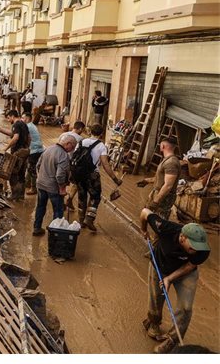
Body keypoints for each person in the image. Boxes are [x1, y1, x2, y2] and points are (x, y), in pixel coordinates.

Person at [139, 208, 211, 353]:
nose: (197, 250)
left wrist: (169, 279)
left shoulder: (203, 250)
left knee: (186, 308)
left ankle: (172, 340)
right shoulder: (165, 228)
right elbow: (145, 212)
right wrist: (144, 229)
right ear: (182, 237)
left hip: (185, 272)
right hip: (160, 264)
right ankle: (153, 321)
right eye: (193, 247)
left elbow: (191, 265)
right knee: (156, 299)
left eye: (199, 248)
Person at [74, 123, 122, 231]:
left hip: (80, 174)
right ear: (101, 134)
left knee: (82, 196)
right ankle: (89, 219)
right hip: (92, 175)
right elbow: (105, 164)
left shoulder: (81, 142)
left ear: (90, 132)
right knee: (95, 197)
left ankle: (81, 221)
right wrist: (115, 179)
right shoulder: (101, 146)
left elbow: (75, 157)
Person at [33, 134, 77, 235]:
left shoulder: (48, 149)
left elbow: (38, 165)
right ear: (68, 144)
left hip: (40, 184)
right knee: (58, 211)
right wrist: (62, 188)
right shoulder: (63, 155)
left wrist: (40, 178)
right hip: (53, 187)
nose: (72, 149)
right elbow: (60, 175)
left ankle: (37, 228)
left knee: (40, 207)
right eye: (73, 147)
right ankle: (55, 233)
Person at [137, 137, 181, 220]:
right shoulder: (167, 160)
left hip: (164, 197)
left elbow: (168, 185)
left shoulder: (171, 162)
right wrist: (147, 180)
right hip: (157, 192)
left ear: (163, 146)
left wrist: (156, 201)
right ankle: (146, 232)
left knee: (159, 221)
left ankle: (155, 233)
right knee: (147, 215)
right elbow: (162, 178)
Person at [0, 110, 31, 201]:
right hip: (25, 151)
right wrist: (26, 148)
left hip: (18, 152)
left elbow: (15, 137)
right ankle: (21, 195)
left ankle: (14, 195)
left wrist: (5, 148)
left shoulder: (16, 124)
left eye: (8, 118)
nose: (8, 120)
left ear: (12, 116)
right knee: (22, 173)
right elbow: (29, 137)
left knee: (13, 173)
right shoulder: (24, 124)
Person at [61, 121, 86, 211]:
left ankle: (62, 201)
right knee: (76, 183)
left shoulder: (63, 134)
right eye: (82, 129)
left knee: (62, 181)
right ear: (80, 129)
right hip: (72, 164)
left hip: (60, 161)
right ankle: (69, 199)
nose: (82, 131)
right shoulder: (80, 139)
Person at [22, 112, 44, 195]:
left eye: (23, 118)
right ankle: (27, 183)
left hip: (34, 150)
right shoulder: (32, 125)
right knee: (30, 166)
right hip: (38, 149)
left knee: (32, 169)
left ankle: (33, 188)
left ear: (27, 119)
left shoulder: (28, 126)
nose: (22, 119)